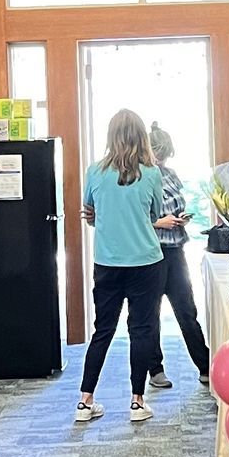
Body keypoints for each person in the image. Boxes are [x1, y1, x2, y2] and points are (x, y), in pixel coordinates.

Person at [76, 110, 166, 426]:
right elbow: (155, 214)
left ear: (110, 136)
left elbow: (90, 212)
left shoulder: (94, 172)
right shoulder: (152, 174)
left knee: (103, 330)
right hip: (146, 263)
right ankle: (137, 402)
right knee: (141, 330)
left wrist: (100, 218)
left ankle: (85, 401)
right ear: (142, 137)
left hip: (107, 263)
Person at [144, 123, 209, 391]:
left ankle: (205, 366)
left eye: (166, 154)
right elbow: (135, 219)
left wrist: (181, 219)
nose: (162, 159)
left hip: (176, 251)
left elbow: (177, 206)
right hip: (151, 253)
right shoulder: (141, 178)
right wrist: (159, 223)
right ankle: (155, 369)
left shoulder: (170, 175)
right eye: (159, 154)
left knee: (187, 310)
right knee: (151, 315)